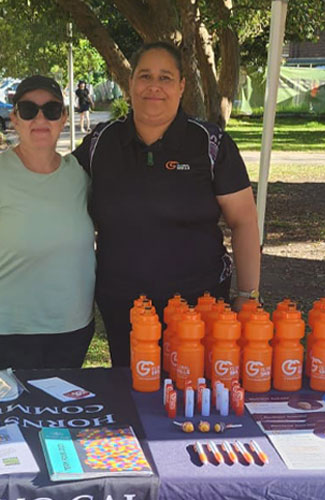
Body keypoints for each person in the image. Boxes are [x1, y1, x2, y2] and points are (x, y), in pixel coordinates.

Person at [73, 42, 261, 368]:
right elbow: (57, 196)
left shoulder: (210, 143)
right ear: (130, 83)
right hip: (123, 305)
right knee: (134, 396)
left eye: (166, 77)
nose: (154, 86)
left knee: (194, 402)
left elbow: (244, 222)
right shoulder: (100, 143)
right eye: (145, 76)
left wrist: (248, 296)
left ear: (182, 86)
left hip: (200, 304)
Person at [0, 75, 96, 370]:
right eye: (29, 110)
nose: (40, 118)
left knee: (61, 414)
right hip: (4, 332)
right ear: (15, 118)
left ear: (64, 117)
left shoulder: (79, 175)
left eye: (52, 110)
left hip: (72, 330)